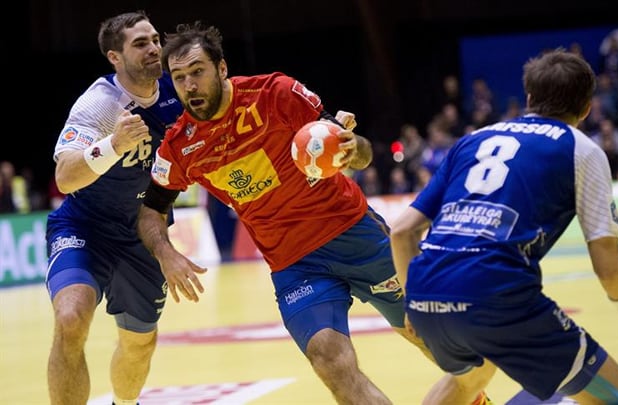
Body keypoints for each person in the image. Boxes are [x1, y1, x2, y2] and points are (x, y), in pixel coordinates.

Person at [136, 21, 490, 405]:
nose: (189, 86)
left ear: (222, 69)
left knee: (423, 331)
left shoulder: (275, 93)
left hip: (355, 235)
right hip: (294, 264)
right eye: (180, 77)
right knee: (329, 358)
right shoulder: (181, 145)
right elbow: (151, 210)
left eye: (198, 72)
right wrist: (166, 252)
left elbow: (355, 148)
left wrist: (354, 148)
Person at [390, 49, 618, 404]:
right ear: (585, 109)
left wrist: (413, 301)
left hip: (428, 295)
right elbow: (610, 270)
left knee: (468, 380)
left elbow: (401, 232)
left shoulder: (471, 140)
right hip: (497, 297)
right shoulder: (580, 149)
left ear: (529, 99)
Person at [45, 11, 183, 405]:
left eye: (155, 39)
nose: (154, 48)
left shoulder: (179, 94)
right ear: (115, 58)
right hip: (85, 227)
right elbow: (65, 177)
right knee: (71, 318)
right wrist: (113, 146)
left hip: (143, 233)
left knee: (138, 343)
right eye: (141, 43)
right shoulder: (101, 104)